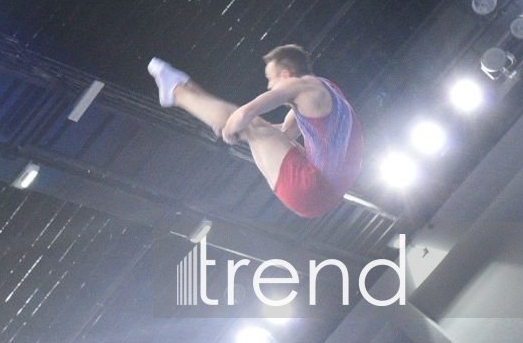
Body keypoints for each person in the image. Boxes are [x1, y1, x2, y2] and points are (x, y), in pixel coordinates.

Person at [147, 45, 363, 218]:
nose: (269, 86)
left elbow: (245, 114)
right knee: (256, 129)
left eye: (271, 78)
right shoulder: (327, 89)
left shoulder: (296, 86)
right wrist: (229, 123)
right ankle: (184, 86)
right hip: (326, 192)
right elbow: (285, 133)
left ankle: (177, 93)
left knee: (252, 125)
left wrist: (230, 129)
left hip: (310, 188)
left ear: (286, 74)